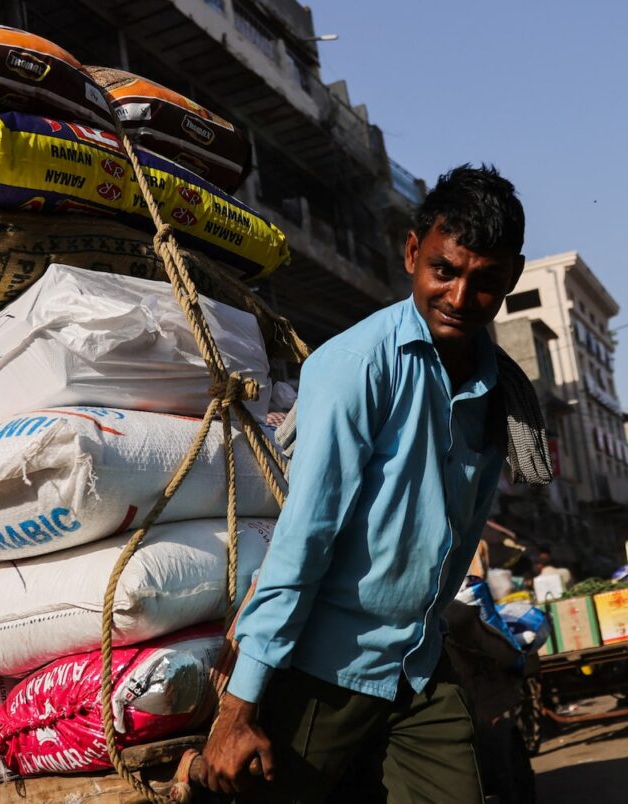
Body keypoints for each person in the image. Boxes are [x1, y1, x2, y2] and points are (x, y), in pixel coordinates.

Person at [200, 165, 529, 803]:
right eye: (445, 270)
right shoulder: (354, 367)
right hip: (330, 666)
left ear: (510, 279)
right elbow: (305, 538)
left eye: (485, 282)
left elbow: (458, 536)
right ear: (413, 252)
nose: (460, 297)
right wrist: (237, 710)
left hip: (418, 669)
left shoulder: (500, 390)